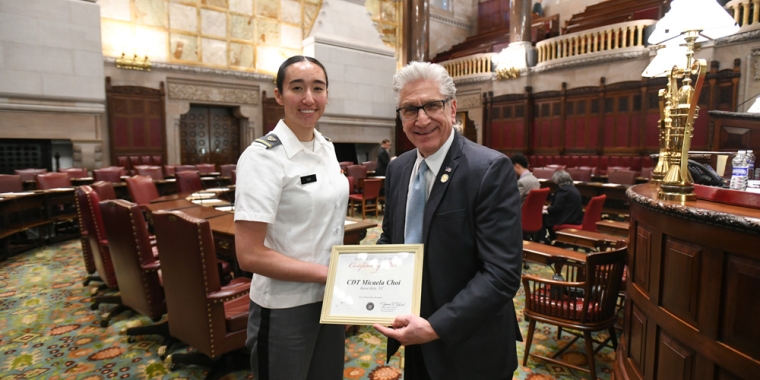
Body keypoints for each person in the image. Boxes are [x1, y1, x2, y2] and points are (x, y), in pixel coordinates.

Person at [373, 61, 523, 380]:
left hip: (471, 349)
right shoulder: (398, 170)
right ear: (401, 118)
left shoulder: (489, 170)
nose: (422, 118)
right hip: (414, 336)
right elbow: (390, 242)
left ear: (452, 109)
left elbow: (502, 274)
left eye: (431, 105)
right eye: (410, 109)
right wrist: (366, 290)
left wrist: (436, 327)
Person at [234, 55, 348, 380]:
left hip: (329, 298)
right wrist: (329, 274)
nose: (308, 98)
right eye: (297, 88)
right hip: (285, 305)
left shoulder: (326, 147)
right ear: (279, 95)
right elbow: (249, 254)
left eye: (318, 88)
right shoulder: (262, 158)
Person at [542, 169, 583, 241]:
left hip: (566, 220)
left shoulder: (562, 191)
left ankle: (547, 239)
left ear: (557, 181)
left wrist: (545, 210)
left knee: (543, 217)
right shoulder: (574, 189)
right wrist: (547, 207)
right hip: (575, 219)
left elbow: (556, 209)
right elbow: (564, 206)